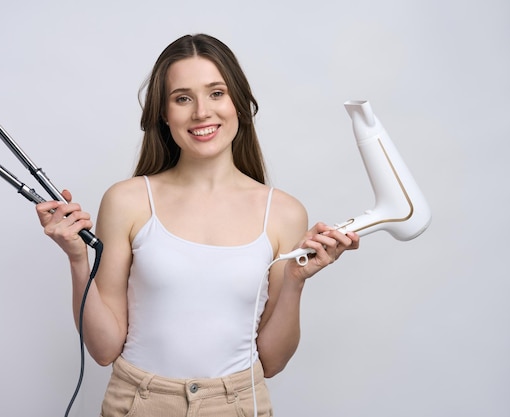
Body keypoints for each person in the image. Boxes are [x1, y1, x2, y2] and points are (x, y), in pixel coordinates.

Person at [36, 33, 359, 417]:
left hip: (237, 405)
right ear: (163, 113)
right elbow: (104, 350)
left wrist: (294, 281)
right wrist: (77, 260)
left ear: (239, 103)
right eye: (182, 98)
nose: (201, 112)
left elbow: (271, 362)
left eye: (216, 93)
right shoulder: (127, 200)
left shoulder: (284, 212)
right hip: (138, 403)